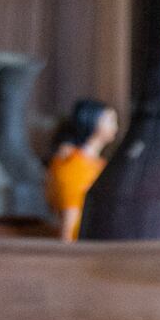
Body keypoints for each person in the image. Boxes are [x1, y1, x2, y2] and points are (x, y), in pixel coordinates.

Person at [45, 98, 116, 240]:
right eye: (110, 120)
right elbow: (70, 217)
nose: (115, 126)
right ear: (93, 122)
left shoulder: (94, 163)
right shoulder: (74, 165)